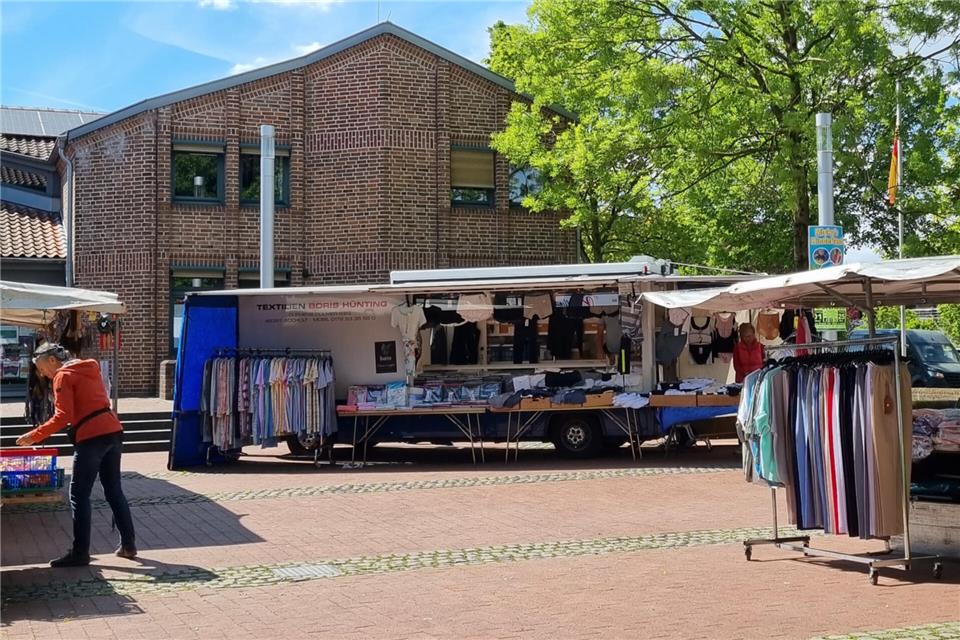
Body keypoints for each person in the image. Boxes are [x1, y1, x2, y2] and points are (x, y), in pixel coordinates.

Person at [16, 343, 136, 567]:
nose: (41, 372)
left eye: (41, 366)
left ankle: (80, 552)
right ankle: (128, 545)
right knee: (113, 490)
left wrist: (35, 435)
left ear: (52, 360)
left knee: (79, 495)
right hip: (113, 431)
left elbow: (63, 416)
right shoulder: (89, 368)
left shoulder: (62, 376)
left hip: (92, 438)